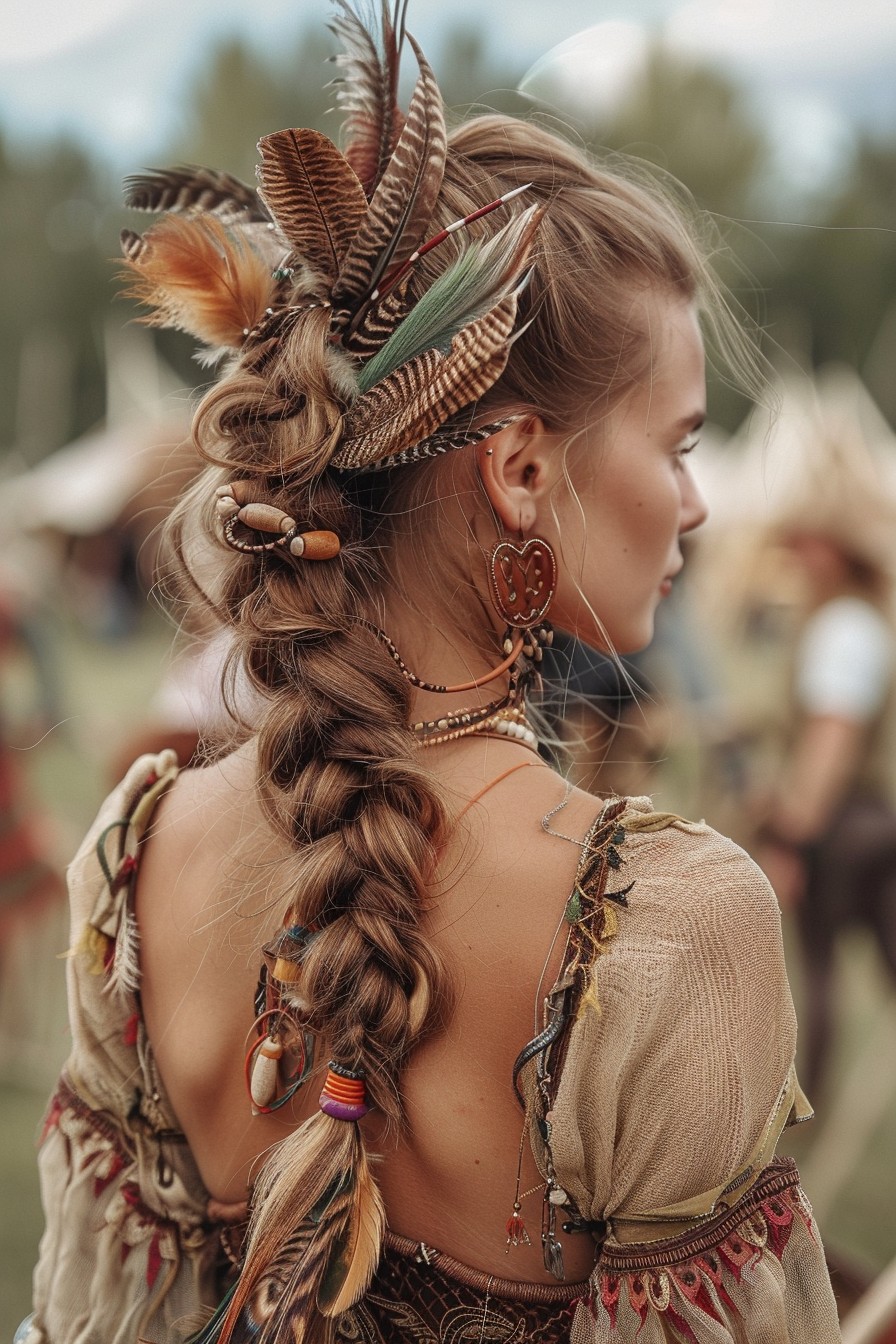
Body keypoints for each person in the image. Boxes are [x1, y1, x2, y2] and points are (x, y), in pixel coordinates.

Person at [24, 6, 841, 1342]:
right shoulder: (667, 931)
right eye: (681, 443)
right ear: (522, 470)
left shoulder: (141, 861)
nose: (697, 505)